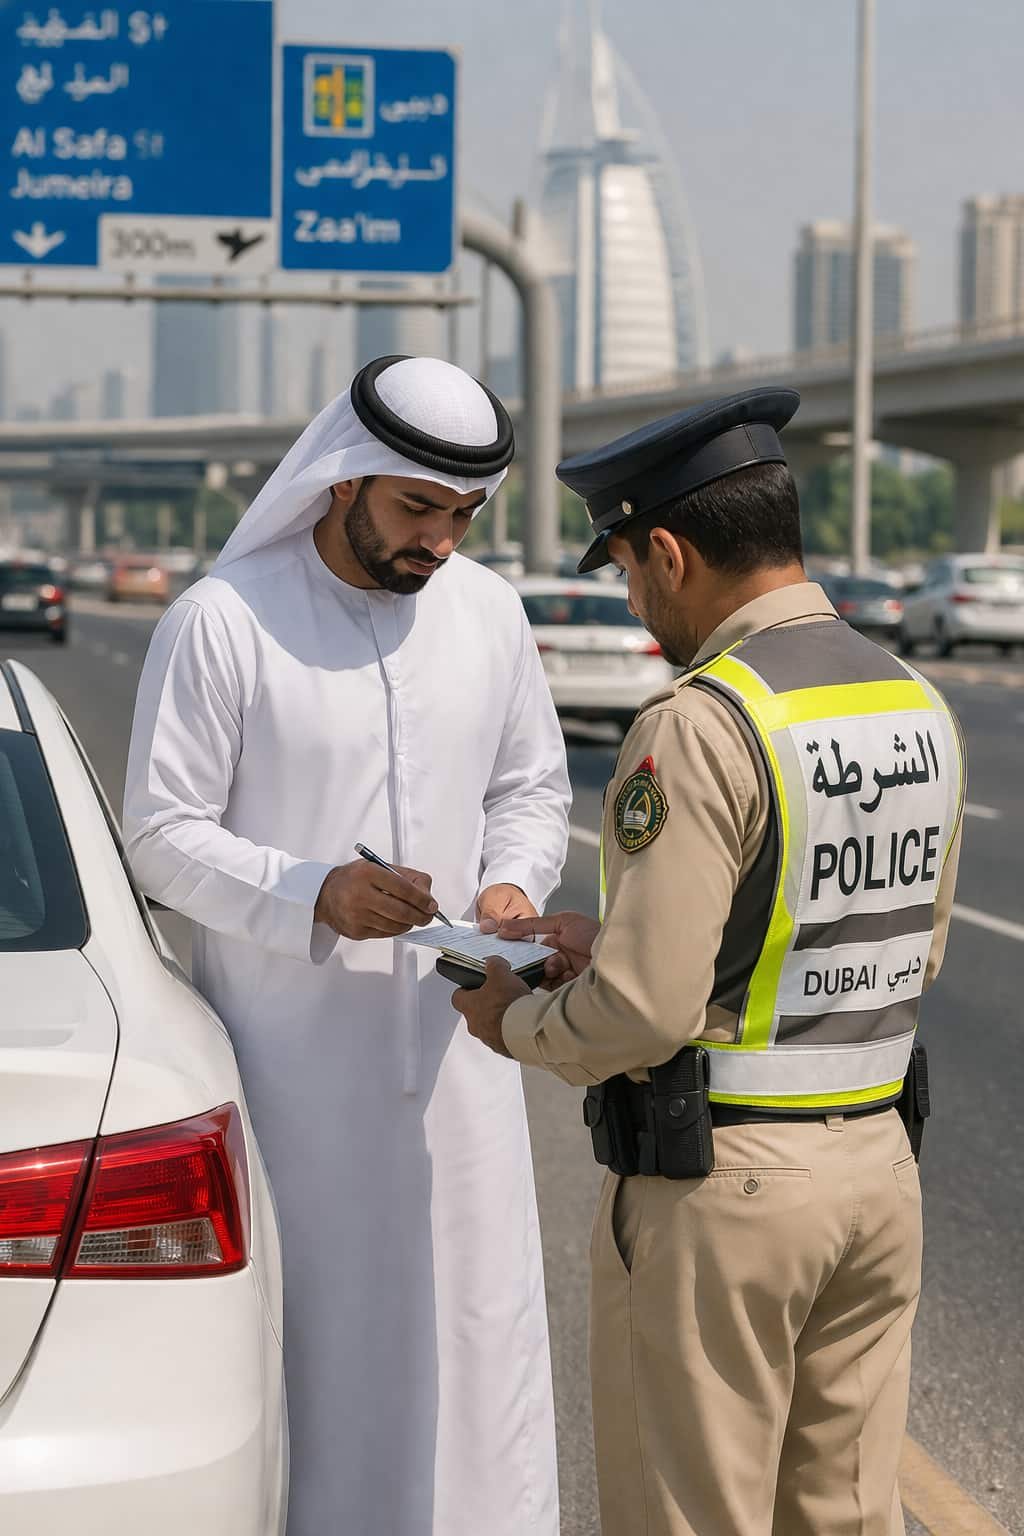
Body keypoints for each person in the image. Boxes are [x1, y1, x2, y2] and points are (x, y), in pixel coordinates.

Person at [457, 387, 965, 1536]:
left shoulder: (698, 722)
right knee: (843, 1512)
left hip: (723, 1194)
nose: (636, 606)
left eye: (630, 573)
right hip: (878, 1174)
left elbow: (638, 1016)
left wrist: (514, 1020)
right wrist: (626, 944)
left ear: (671, 553)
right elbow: (900, 945)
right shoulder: (911, 698)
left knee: (691, 1516)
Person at [123, 355, 569, 1536]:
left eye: (462, 515)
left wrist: (513, 888)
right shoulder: (224, 622)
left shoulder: (487, 613)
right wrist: (315, 891)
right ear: (340, 483)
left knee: (476, 1338)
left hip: (462, 1061)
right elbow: (160, 837)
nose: (440, 540)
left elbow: (529, 788)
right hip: (291, 1075)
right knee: (318, 1348)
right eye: (417, 508)